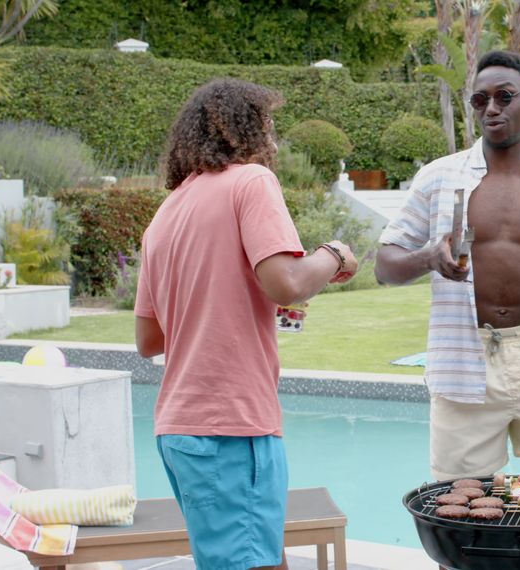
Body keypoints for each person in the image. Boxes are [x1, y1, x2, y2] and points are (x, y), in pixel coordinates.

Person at [134, 78, 358, 570]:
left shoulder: (166, 214)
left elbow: (148, 339)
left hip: (179, 429)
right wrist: (334, 254)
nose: (274, 140)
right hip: (230, 425)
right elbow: (287, 283)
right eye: (269, 125)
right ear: (245, 130)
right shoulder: (250, 182)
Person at [375, 50, 520, 485]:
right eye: (480, 100)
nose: (492, 109)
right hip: (464, 359)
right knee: (456, 522)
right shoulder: (439, 178)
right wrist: (428, 256)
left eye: (504, 96)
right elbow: (384, 266)